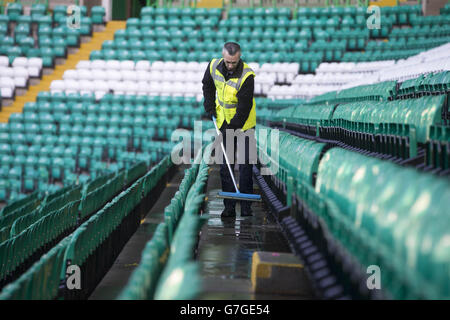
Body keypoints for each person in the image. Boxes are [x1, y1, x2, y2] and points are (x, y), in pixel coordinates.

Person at [202, 42, 257, 218]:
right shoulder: (213, 66)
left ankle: (247, 206)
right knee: (226, 165)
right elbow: (207, 85)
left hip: (244, 124)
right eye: (228, 62)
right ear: (223, 57)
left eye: (234, 62)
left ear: (239, 57)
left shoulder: (247, 75)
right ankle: (229, 206)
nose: (230, 65)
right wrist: (209, 106)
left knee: (246, 165)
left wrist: (232, 127)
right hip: (223, 120)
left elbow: (244, 107)